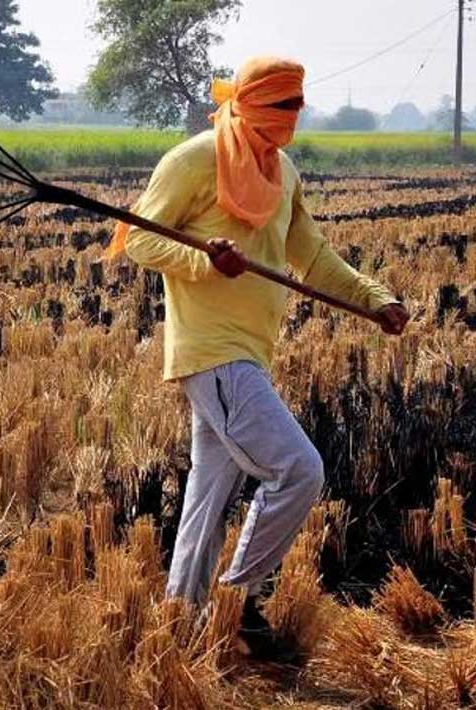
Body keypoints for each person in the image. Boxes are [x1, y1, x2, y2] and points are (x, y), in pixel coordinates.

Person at [111, 56, 410, 658]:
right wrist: (203, 258)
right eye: (283, 107)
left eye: (298, 107)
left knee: (208, 493)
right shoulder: (194, 159)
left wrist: (375, 298)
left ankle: (182, 620)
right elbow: (138, 237)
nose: (293, 118)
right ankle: (236, 598)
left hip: (251, 351)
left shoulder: (282, 171)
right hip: (214, 352)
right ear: (252, 104)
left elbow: (314, 257)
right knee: (299, 470)